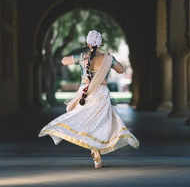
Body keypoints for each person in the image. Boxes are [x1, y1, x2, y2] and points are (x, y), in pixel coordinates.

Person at [38, 30, 139, 169]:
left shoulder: (83, 57)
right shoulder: (108, 58)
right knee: (100, 124)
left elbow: (63, 61)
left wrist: (78, 57)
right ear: (101, 43)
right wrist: (112, 60)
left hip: (85, 94)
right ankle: (96, 151)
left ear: (87, 43)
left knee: (84, 121)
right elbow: (121, 70)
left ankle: (93, 150)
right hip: (101, 94)